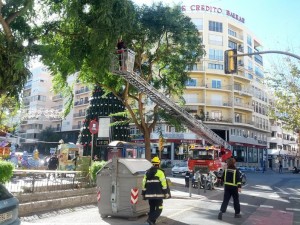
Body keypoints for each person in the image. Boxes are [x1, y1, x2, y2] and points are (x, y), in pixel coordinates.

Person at [142, 156, 170, 225]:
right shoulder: (160, 172)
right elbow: (164, 184)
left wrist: (143, 193)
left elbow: (143, 184)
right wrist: (166, 193)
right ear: (158, 164)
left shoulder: (147, 172)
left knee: (152, 209)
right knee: (159, 208)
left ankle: (151, 222)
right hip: (158, 195)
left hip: (149, 195)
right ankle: (149, 221)